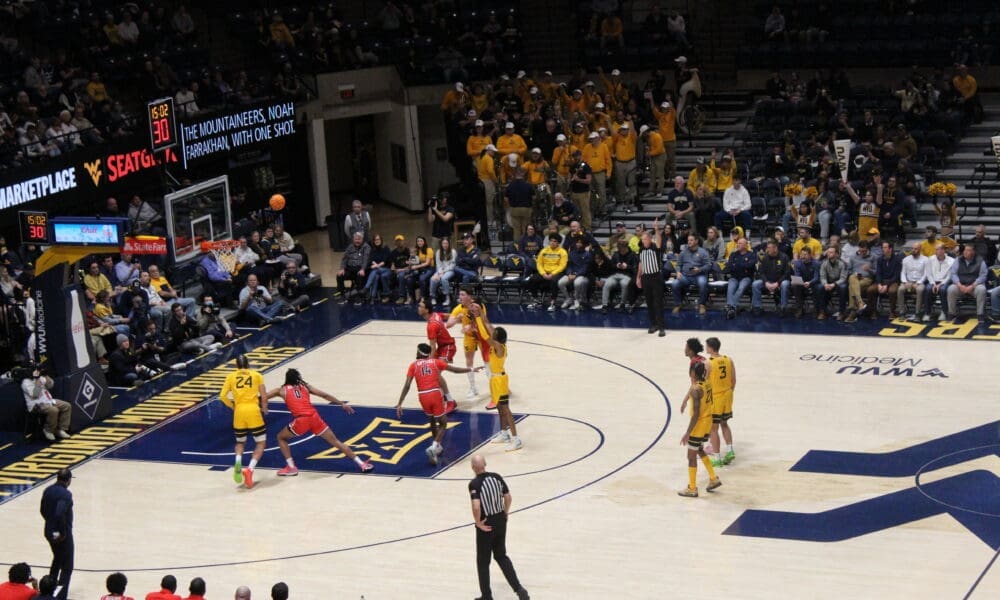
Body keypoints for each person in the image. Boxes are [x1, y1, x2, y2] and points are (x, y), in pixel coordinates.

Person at [262, 368, 374, 476]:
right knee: (336, 441)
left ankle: (291, 467)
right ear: (298, 378)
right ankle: (361, 463)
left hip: (302, 419)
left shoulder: (281, 390)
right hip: (315, 417)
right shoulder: (305, 386)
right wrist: (341, 403)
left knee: (281, 437)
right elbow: (324, 395)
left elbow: (263, 397)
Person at [396, 343, 482, 465]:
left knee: (431, 418)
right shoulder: (435, 362)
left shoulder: (413, 366)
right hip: (435, 394)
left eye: (417, 351)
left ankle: (437, 447)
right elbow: (455, 370)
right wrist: (472, 369)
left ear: (420, 353)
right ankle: (434, 446)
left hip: (422, 395)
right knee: (443, 423)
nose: (416, 352)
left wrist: (400, 403)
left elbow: (407, 385)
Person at [468, 454, 530, 600]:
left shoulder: (474, 484)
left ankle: (487, 596)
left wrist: (478, 522)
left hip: (486, 525)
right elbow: (508, 497)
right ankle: (519, 590)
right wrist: (505, 512)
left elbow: (476, 506)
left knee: (483, 562)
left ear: (472, 467)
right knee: (501, 556)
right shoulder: (497, 477)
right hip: (500, 521)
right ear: (485, 464)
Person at [472, 306, 521, 450]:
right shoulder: (497, 343)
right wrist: (480, 313)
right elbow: (488, 325)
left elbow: (485, 334)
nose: (492, 332)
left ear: (497, 337)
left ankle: (516, 438)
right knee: (499, 408)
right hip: (494, 380)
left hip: (500, 380)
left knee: (506, 409)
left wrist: (478, 318)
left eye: (495, 333)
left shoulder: (499, 347)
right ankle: (504, 433)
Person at [219, 355, 267, 489]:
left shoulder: (230, 377)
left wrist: (233, 406)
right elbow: (263, 396)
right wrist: (265, 409)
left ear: (236, 366)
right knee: (261, 442)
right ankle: (250, 469)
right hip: (253, 411)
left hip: (239, 412)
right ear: (249, 364)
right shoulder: (257, 375)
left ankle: (238, 461)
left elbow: (222, 396)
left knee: (240, 442)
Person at [678, 361, 722, 497]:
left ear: (693, 373)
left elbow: (696, 414)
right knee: (700, 450)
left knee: (690, 456)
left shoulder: (695, 389)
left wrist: (687, 432)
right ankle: (713, 478)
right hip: (708, 421)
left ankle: (692, 488)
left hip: (699, 424)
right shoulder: (707, 383)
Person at [418, 297, 458, 414]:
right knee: (435, 375)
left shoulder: (432, 325)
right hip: (442, 347)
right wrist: (458, 317)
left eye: (420, 306)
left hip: (447, 347)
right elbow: (445, 315)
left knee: (435, 375)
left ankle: (450, 401)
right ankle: (443, 398)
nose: (418, 308)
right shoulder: (434, 315)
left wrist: (429, 362)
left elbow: (433, 346)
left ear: (426, 310)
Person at [39, 468, 73, 600]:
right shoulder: (66, 494)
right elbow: (59, 513)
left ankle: (48, 590)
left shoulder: (48, 490)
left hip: (49, 531)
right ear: (68, 480)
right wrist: (62, 533)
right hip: (62, 535)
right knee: (67, 566)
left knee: (57, 559)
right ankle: (59, 597)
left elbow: (42, 510)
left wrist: (50, 525)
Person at [705, 337, 736, 467]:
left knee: (713, 428)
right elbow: (733, 380)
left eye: (706, 346)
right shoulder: (729, 359)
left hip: (716, 397)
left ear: (711, 348)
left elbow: (704, 383)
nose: (705, 348)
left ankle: (717, 458)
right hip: (728, 394)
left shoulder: (708, 363)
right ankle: (729, 451)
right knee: (724, 423)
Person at [21, 367, 72, 442]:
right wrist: (37, 380)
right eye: (35, 371)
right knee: (53, 410)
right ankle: (48, 430)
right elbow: (35, 395)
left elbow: (50, 385)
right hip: (36, 405)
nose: (37, 372)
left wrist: (46, 375)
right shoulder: (25, 382)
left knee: (66, 406)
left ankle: (61, 429)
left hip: (48, 401)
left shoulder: (41, 377)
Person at [636, 221, 666, 336]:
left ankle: (662, 327)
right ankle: (654, 324)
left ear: (650, 239)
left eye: (645, 239)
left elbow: (659, 240)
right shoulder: (641, 249)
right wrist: (638, 277)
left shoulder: (655, 247)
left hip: (656, 277)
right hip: (646, 278)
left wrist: (656, 229)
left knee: (658, 302)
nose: (643, 241)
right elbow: (641, 263)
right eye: (642, 240)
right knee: (649, 302)